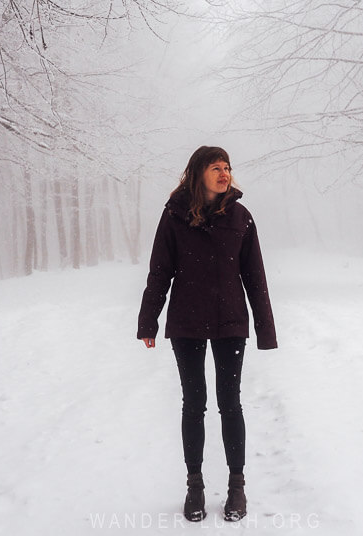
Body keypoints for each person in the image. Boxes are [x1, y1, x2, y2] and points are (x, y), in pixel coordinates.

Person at [137, 145, 277, 523]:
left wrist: (265, 329)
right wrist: (148, 321)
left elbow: (255, 277)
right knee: (193, 403)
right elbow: (159, 271)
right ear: (198, 173)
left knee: (230, 403)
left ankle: (236, 486)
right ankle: (195, 484)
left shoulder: (241, 218)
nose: (224, 173)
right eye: (216, 167)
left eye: (228, 167)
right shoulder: (174, 216)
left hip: (230, 322)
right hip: (187, 323)